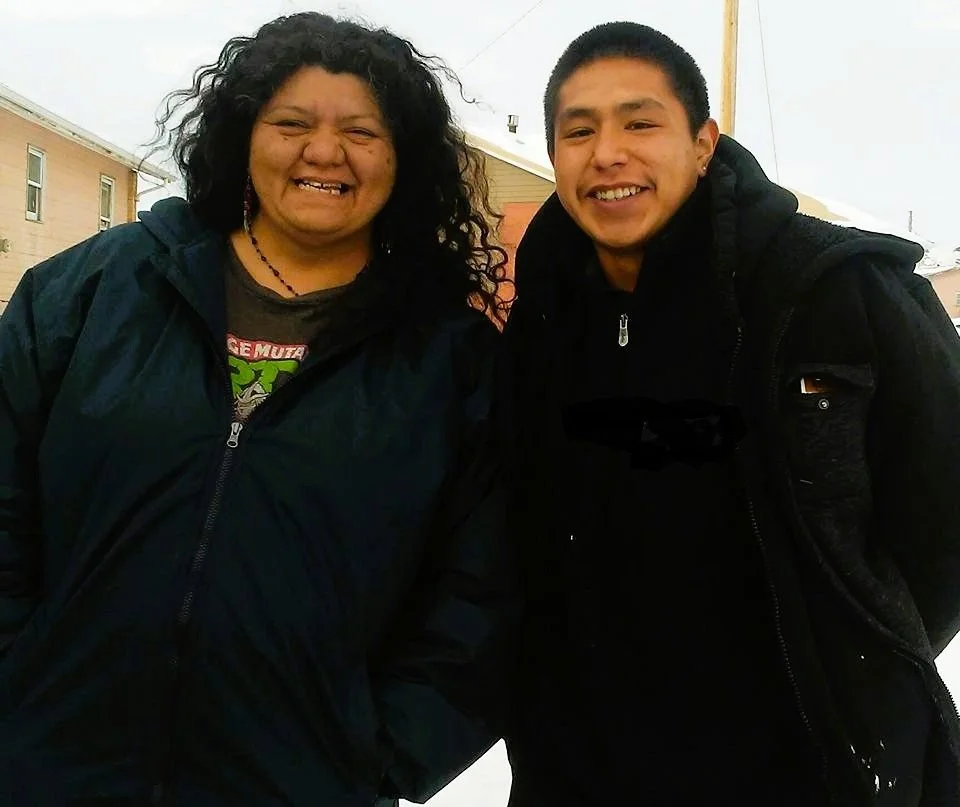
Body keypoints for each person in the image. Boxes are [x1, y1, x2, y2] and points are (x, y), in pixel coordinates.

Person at [0, 12, 516, 807]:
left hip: (301, 785)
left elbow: (484, 585)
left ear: (401, 160)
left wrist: (381, 750)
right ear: (244, 137)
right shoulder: (94, 291)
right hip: (52, 768)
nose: (324, 151)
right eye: (291, 123)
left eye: (362, 131)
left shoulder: (447, 357)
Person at [500, 21, 960, 807]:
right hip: (579, 770)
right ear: (555, 156)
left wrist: (855, 659)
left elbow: (944, 515)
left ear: (705, 142)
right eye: (579, 131)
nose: (608, 152)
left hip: (802, 767)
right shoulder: (541, 320)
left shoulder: (830, 291)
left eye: (641, 122)